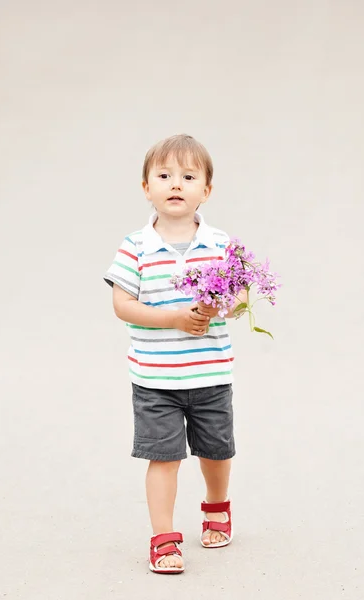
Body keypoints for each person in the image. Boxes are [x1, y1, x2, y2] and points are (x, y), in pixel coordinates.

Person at [103, 134, 247, 574]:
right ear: (146, 187)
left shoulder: (221, 244)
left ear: (207, 190)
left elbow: (240, 297)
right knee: (162, 457)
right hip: (156, 379)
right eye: (164, 176)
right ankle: (163, 538)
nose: (176, 185)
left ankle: (216, 505)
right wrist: (175, 319)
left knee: (216, 451)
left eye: (188, 176)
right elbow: (122, 305)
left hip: (210, 375)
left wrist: (221, 304)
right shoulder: (135, 246)